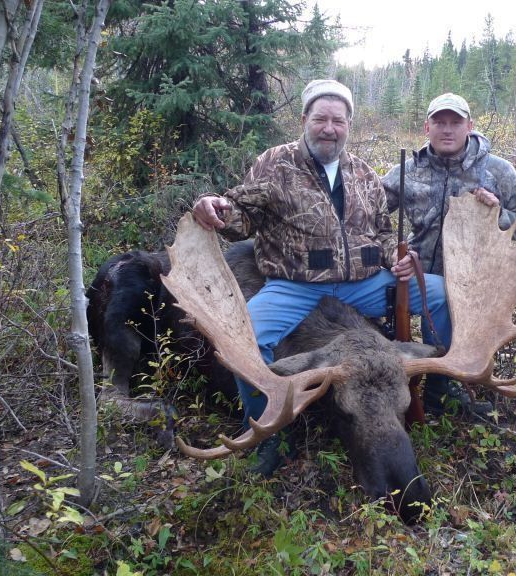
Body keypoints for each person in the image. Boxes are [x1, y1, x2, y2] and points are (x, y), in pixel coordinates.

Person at [191, 79, 451, 476]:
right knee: (246, 340)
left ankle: (439, 391)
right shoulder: (276, 163)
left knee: (440, 293)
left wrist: (396, 258)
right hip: (295, 286)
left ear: (349, 125)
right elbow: (242, 217)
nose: (329, 128)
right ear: (304, 120)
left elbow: (382, 231)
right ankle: (267, 431)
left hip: (361, 283)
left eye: (338, 121)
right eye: (321, 119)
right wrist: (215, 208)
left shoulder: (363, 173)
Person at [382, 92, 516, 416]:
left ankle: (442, 392)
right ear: (427, 127)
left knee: (459, 343)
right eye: (439, 122)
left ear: (469, 126)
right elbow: (367, 210)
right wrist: (388, 252)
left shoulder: (496, 170)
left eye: (455, 122)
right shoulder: (407, 171)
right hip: (418, 275)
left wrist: (499, 214)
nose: (447, 129)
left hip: (474, 280)